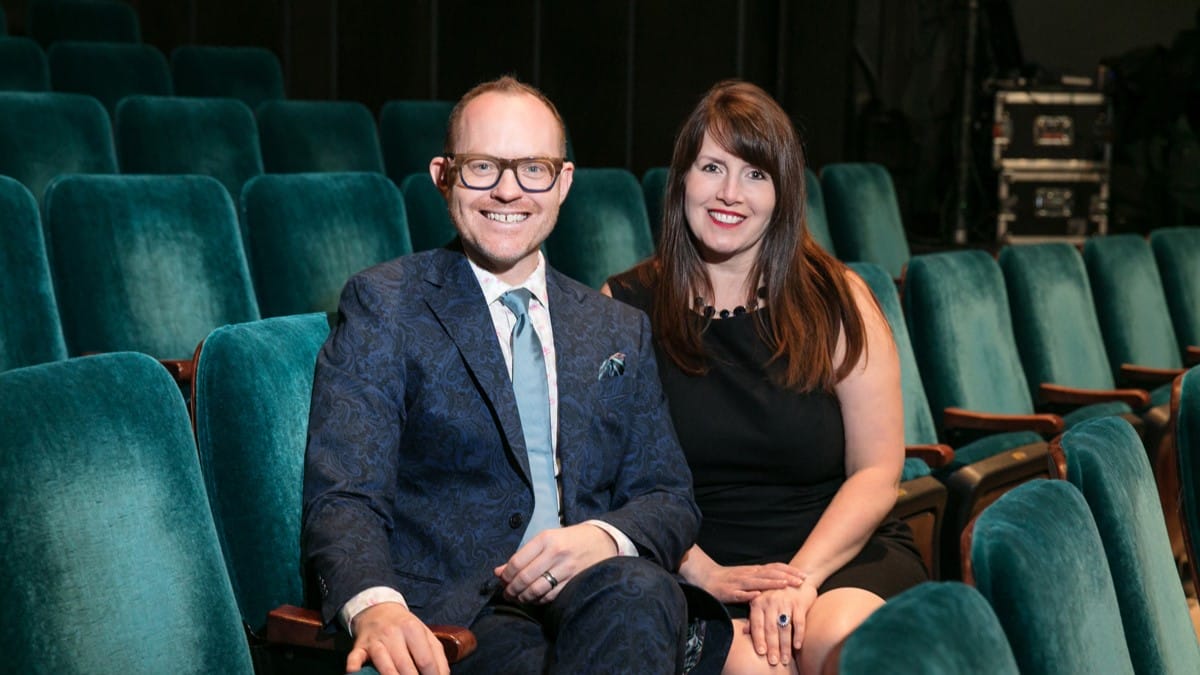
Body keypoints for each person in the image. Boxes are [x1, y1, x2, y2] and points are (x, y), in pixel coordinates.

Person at [302, 76, 729, 675]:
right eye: (482, 167)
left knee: (642, 592)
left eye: (533, 168)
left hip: (597, 592)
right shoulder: (386, 303)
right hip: (456, 613)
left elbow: (668, 496)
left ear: (564, 182)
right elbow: (345, 493)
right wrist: (374, 605)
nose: (508, 191)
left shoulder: (615, 328)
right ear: (442, 176)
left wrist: (602, 538)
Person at [604, 80, 927, 675]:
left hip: (835, 554)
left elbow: (878, 470)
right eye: (712, 168)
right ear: (682, 180)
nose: (731, 193)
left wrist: (798, 582)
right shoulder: (623, 307)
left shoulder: (839, 299)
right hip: (694, 566)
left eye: (756, 174)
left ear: (783, 193)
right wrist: (704, 572)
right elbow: (611, 479)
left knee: (840, 642)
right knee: (757, 665)